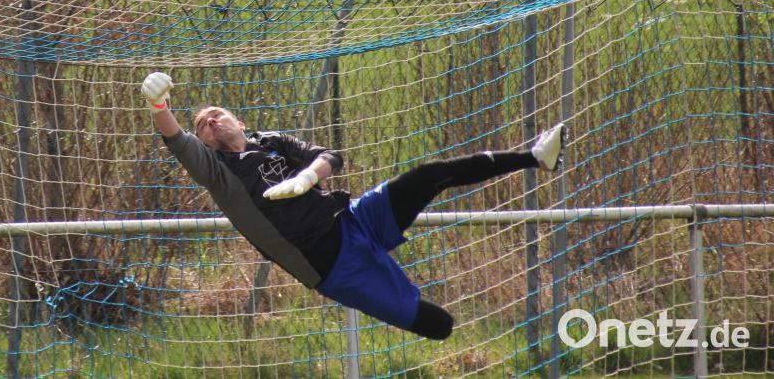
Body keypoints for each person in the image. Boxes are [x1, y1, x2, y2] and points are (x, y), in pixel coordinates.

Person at [141, 72, 566, 340]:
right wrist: (160, 106)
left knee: (428, 175)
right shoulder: (218, 169)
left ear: (240, 121)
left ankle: (534, 157)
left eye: (216, 114)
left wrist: (307, 176)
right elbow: (178, 141)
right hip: (328, 262)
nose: (211, 122)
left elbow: (329, 155)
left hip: (354, 219)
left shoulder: (272, 142)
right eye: (203, 124)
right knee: (438, 325)